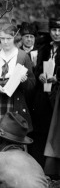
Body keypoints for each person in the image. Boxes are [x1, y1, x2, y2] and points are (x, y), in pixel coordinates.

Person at [0, 23, 35, 160]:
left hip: (13, 103)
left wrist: (24, 80)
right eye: (2, 39)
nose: (5, 42)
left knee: (10, 136)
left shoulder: (23, 57)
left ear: (15, 38)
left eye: (8, 38)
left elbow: (32, 84)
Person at [30, 18, 60, 168]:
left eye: (59, 30)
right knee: (40, 129)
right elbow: (36, 70)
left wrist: (57, 78)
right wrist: (39, 75)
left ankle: (52, 169)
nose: (57, 33)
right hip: (43, 94)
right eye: (54, 30)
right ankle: (38, 165)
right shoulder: (44, 49)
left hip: (57, 95)